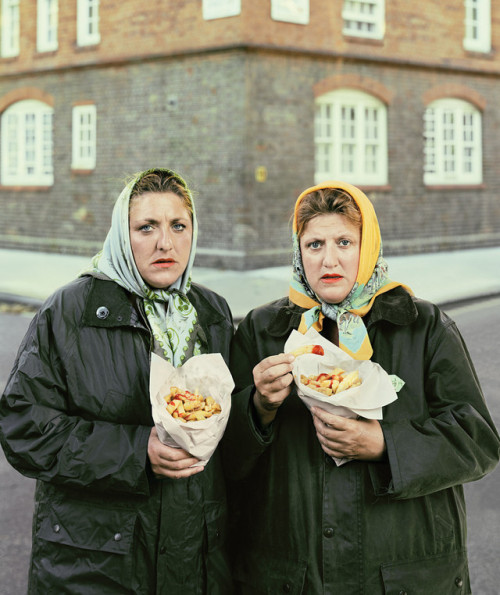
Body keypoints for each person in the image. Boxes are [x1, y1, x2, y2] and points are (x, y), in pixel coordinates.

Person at [222, 180, 500, 594]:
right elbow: (227, 461)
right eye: (314, 245)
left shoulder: (421, 326)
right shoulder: (263, 331)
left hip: (403, 578)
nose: (328, 259)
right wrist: (258, 407)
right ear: (298, 252)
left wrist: (386, 445)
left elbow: (478, 442)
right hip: (292, 578)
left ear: (366, 245)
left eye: (344, 242)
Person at [0, 168, 234, 594]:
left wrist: (263, 407)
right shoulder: (70, 310)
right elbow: (24, 430)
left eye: (178, 225)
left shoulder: (212, 312)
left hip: (190, 559)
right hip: (95, 564)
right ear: (121, 236)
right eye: (147, 227)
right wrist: (136, 451)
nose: (166, 242)